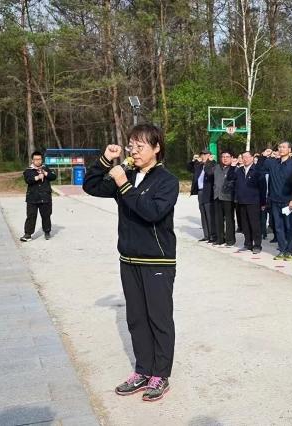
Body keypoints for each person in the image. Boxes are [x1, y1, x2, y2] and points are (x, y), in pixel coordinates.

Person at [83, 124, 179, 400]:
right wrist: (104, 161)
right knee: (136, 319)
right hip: (129, 258)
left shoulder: (166, 181)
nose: (134, 151)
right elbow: (90, 187)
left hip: (157, 261)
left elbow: (151, 212)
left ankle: (160, 375)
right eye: (131, 145)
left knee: (158, 319)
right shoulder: (126, 174)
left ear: (156, 148)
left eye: (140, 146)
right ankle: (143, 370)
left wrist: (123, 184)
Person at [258, 142, 292, 260]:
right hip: (275, 200)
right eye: (279, 147)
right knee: (278, 227)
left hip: (289, 201)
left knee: (290, 226)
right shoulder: (272, 163)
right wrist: (263, 156)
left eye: (284, 147)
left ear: (289, 149)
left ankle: (290, 251)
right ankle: (282, 249)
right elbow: (259, 170)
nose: (281, 149)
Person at [233, 151, 266, 254]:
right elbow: (235, 184)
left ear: (252, 158)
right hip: (242, 201)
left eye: (247, 157)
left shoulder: (258, 170)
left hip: (254, 202)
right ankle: (247, 243)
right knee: (245, 224)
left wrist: (263, 202)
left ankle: (257, 245)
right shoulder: (239, 171)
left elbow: (263, 188)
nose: (245, 159)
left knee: (255, 224)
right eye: (243, 157)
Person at [20, 151, 56, 242]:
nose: (38, 161)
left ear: (42, 159)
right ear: (32, 160)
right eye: (36, 159)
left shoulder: (45, 168)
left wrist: (45, 173)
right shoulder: (28, 170)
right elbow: (28, 180)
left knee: (46, 215)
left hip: (45, 196)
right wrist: (38, 177)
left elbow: (53, 176)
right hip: (32, 197)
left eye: (39, 159)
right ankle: (28, 234)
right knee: (31, 216)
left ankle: (47, 231)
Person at [188, 150, 216, 243]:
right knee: (203, 213)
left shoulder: (213, 164)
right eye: (202, 155)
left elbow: (210, 173)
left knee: (209, 213)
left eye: (205, 155)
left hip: (208, 191)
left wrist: (209, 162)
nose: (203, 156)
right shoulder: (199, 165)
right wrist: (193, 160)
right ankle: (206, 235)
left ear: (209, 156)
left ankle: (212, 235)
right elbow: (189, 168)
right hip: (200, 191)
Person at [213, 151, 237, 247]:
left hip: (228, 197)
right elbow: (207, 171)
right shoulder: (217, 167)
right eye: (223, 157)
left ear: (231, 158)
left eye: (227, 157)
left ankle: (230, 240)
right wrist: (209, 161)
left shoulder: (234, 168)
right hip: (217, 196)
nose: (225, 159)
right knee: (218, 219)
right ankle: (220, 239)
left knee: (229, 219)